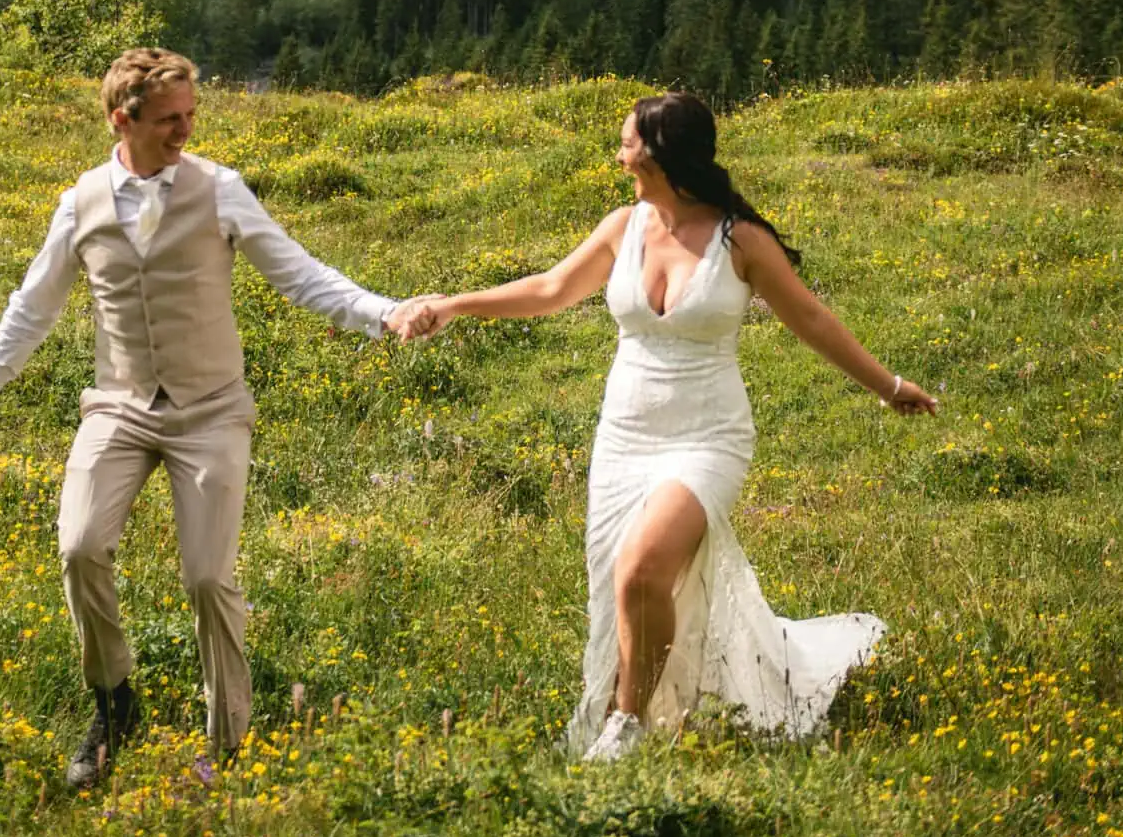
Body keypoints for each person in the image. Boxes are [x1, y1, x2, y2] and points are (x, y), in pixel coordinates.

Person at [396, 91, 937, 760]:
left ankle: (625, 724)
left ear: (656, 152)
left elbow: (813, 320)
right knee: (622, 582)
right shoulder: (623, 227)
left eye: (625, 142)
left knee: (641, 571)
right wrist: (453, 306)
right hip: (624, 436)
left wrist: (888, 386)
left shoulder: (740, 240)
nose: (616, 153)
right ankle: (647, 704)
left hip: (707, 436)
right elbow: (550, 288)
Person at [0, 46, 410, 788]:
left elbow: (299, 275)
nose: (185, 132)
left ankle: (229, 741)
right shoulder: (80, 204)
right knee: (78, 546)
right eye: (170, 120)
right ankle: (113, 704)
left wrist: (383, 314)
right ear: (121, 120)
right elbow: (33, 307)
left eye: (192, 116)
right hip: (120, 405)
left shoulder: (221, 190)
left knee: (206, 576)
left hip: (210, 410)